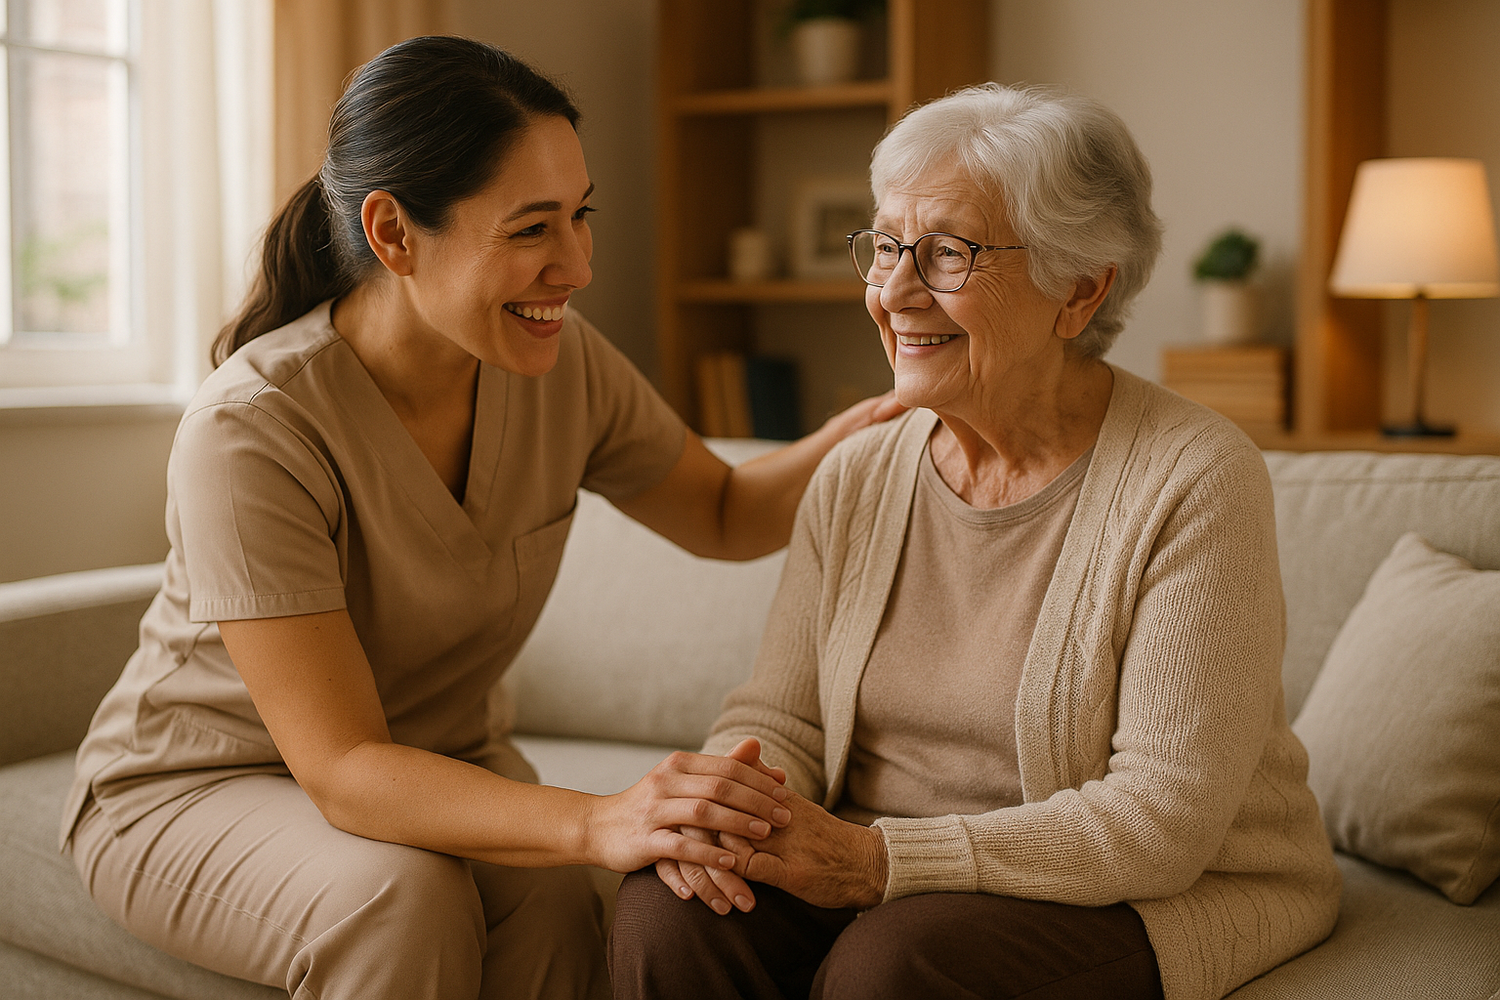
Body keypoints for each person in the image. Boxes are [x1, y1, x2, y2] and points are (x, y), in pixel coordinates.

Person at [60, 36, 900, 1000]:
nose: (578, 265)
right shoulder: (251, 431)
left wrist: (884, 417)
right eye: (533, 229)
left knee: (558, 905)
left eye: (581, 217)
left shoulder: (559, 366)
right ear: (393, 234)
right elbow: (340, 766)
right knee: (399, 897)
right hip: (199, 786)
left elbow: (722, 511)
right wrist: (595, 818)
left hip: (435, 762)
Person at [610, 84, 1341, 1000]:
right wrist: (732, 809)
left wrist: (878, 863)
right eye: (884, 247)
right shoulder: (859, 472)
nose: (893, 292)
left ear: (1080, 289)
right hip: (881, 857)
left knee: (895, 966)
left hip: (1132, 888)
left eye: (948, 254)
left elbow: (1160, 823)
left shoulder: (1193, 478)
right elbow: (781, 716)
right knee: (669, 910)